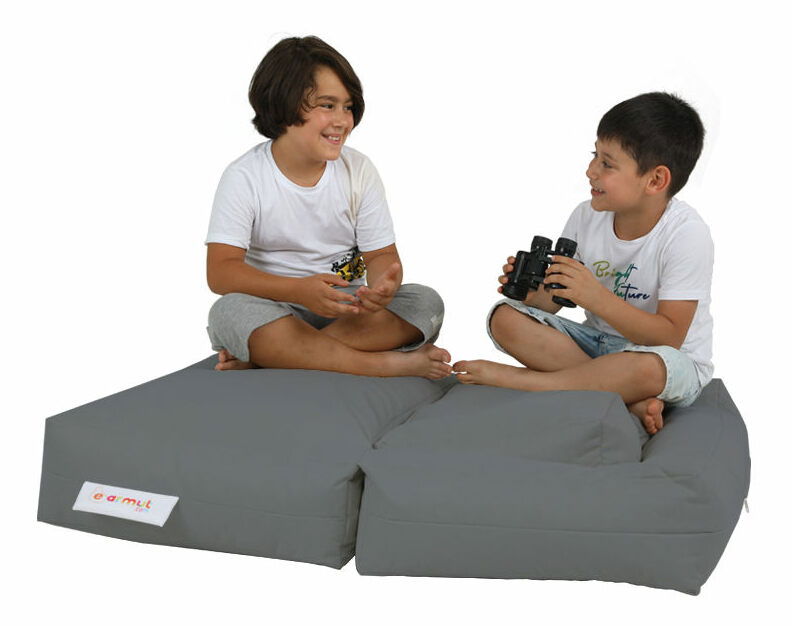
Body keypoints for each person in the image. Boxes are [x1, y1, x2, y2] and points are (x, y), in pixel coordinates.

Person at [453, 92, 713, 435]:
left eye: (607, 163)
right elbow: (555, 301)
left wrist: (596, 297)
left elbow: (670, 337)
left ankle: (526, 381)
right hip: (596, 347)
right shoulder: (585, 216)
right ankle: (624, 396)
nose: (591, 171)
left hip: (664, 359)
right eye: (595, 156)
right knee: (505, 318)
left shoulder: (686, 234)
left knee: (648, 369)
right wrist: (532, 296)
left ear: (655, 180)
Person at [205, 36, 450, 379]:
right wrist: (298, 291)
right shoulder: (245, 176)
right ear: (284, 106)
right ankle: (378, 364)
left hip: (348, 308)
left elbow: (381, 256)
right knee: (228, 311)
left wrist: (382, 288)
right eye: (327, 105)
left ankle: (277, 356)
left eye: (347, 107)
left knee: (425, 302)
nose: (343, 121)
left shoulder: (358, 170)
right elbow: (221, 273)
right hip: (275, 308)